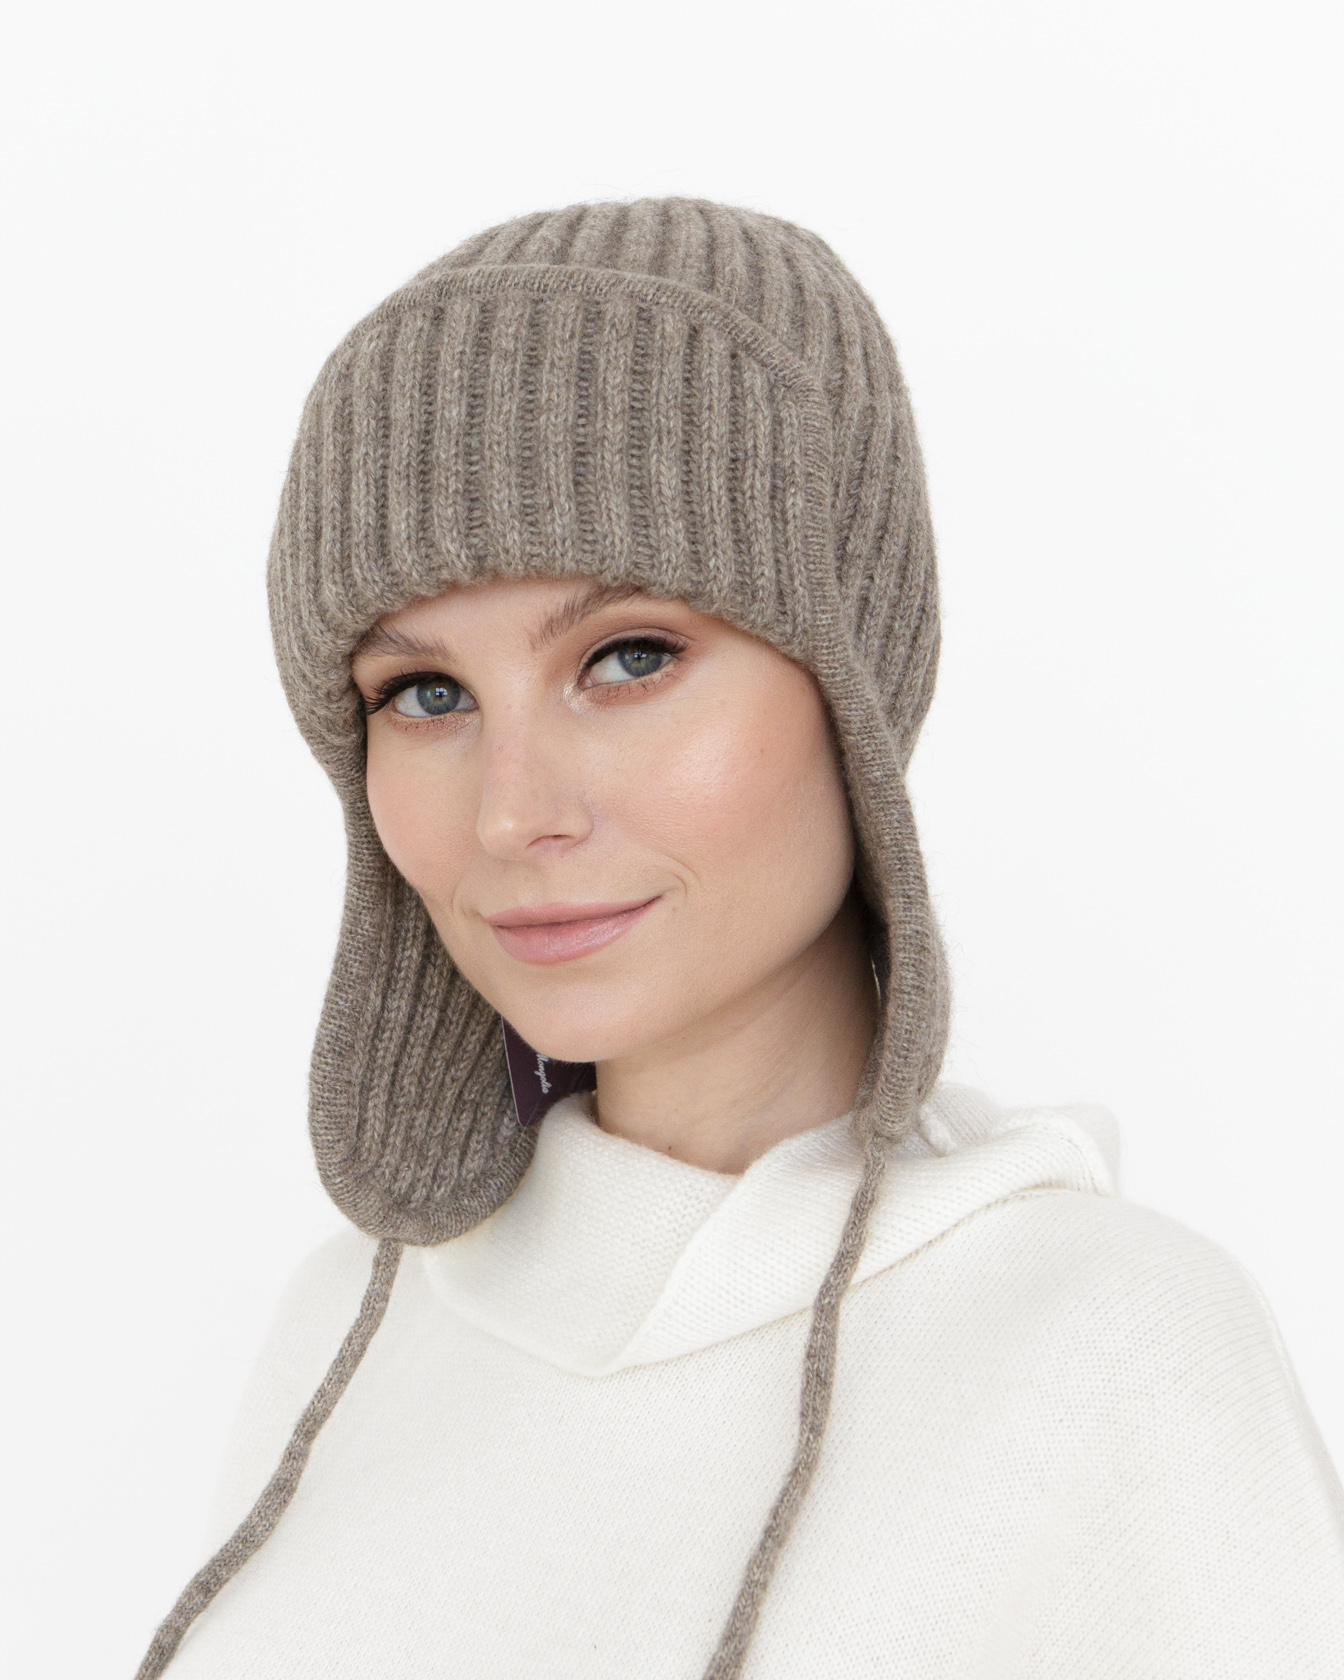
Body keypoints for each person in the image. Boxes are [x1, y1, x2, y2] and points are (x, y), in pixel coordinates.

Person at [134, 198, 1344, 1679]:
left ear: (854, 682)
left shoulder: (1111, 1354)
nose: (513, 813)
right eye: (424, 695)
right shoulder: (344, 1326)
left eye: (629, 657)